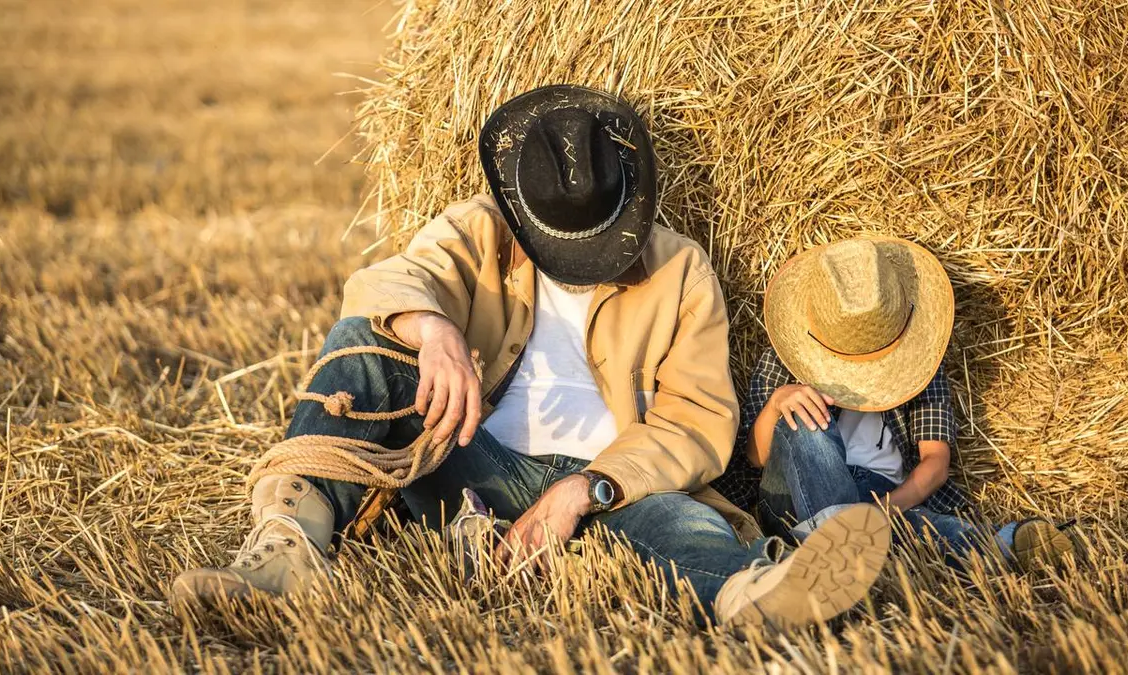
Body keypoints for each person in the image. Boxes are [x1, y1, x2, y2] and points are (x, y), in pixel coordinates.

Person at [170, 85, 891, 627]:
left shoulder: (679, 269)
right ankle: (287, 551)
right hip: (470, 456)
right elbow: (382, 284)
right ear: (523, 213)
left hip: (611, 484)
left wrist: (585, 488)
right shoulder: (478, 230)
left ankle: (752, 593)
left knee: (680, 524)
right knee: (363, 342)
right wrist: (434, 330)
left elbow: (697, 421)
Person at [712, 237, 1075, 570]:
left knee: (915, 525)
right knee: (807, 418)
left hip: (884, 493)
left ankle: (1005, 544)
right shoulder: (787, 359)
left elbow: (936, 462)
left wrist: (884, 512)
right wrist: (778, 403)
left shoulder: (920, 363)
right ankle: (849, 545)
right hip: (795, 493)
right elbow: (754, 458)